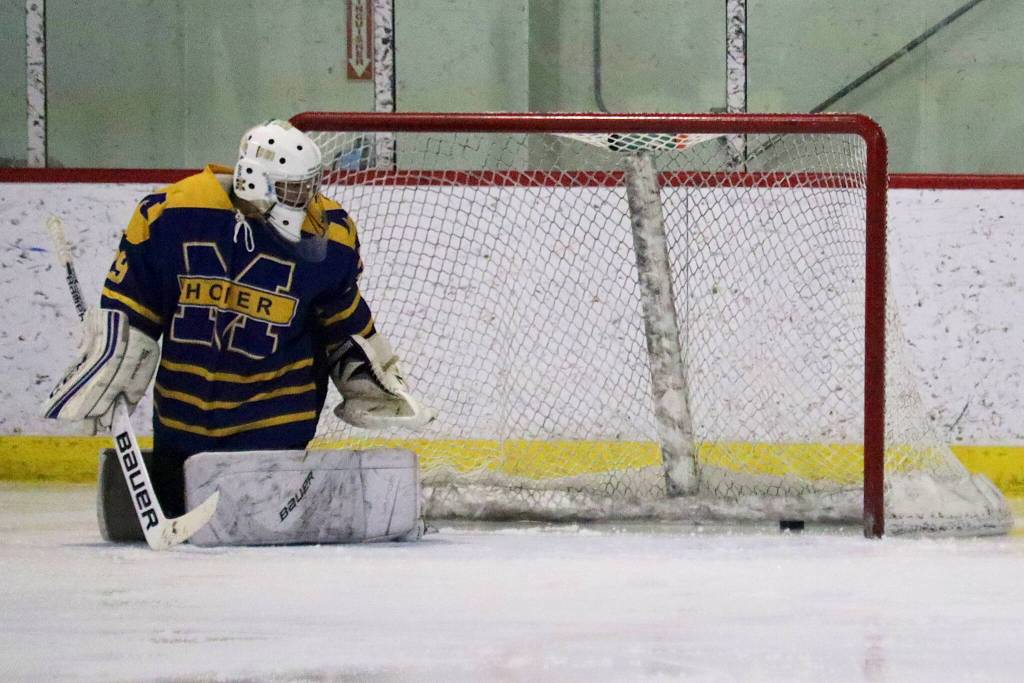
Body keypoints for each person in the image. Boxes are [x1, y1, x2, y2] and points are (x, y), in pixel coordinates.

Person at [42, 119, 434, 521]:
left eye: (308, 185)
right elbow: (133, 310)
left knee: (257, 540)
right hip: (182, 423)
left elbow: (344, 322)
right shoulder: (172, 215)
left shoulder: (328, 233)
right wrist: (112, 357)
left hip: (278, 426)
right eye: (291, 188)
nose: (305, 197)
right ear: (253, 179)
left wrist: (369, 375)